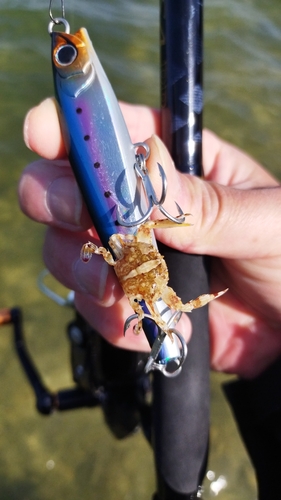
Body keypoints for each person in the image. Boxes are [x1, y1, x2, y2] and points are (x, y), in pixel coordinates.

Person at [18, 97, 281, 380]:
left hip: (130, 257)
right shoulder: (146, 292)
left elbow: (176, 303)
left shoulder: (142, 297)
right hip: (133, 255)